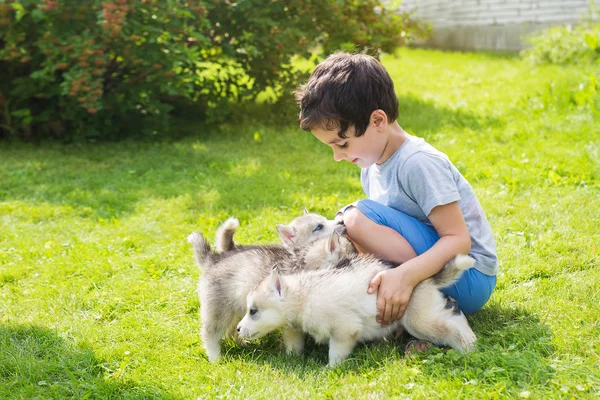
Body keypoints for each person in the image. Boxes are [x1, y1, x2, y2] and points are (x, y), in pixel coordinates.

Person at [295, 52, 498, 352]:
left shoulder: (418, 163)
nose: (338, 156)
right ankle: (410, 317)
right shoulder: (371, 166)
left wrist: (403, 276)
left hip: (468, 276)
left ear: (377, 120)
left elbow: (459, 240)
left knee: (353, 218)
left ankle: (415, 300)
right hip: (435, 271)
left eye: (342, 143)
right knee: (352, 223)